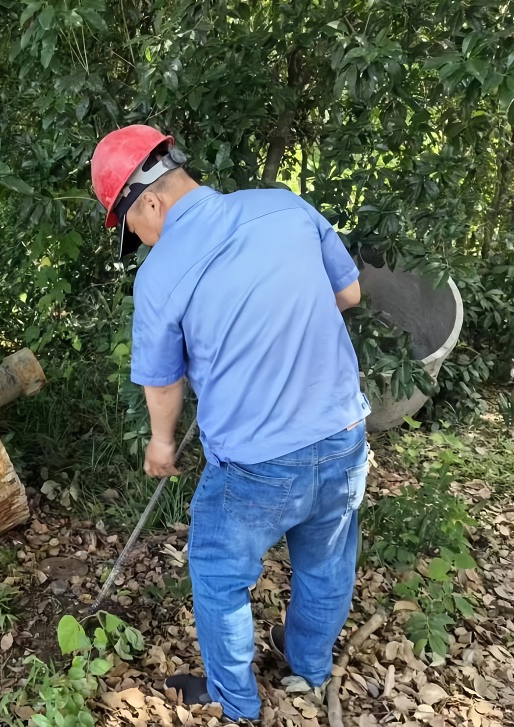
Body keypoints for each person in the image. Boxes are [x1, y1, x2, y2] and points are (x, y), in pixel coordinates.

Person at [91, 125, 371, 723]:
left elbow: (163, 383)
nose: (139, 243)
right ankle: (308, 675)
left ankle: (235, 701)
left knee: (219, 573)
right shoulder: (284, 205)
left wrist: (162, 444)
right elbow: (347, 293)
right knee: (326, 561)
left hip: (257, 463)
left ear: (150, 201)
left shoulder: (161, 275)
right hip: (343, 434)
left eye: (132, 231)